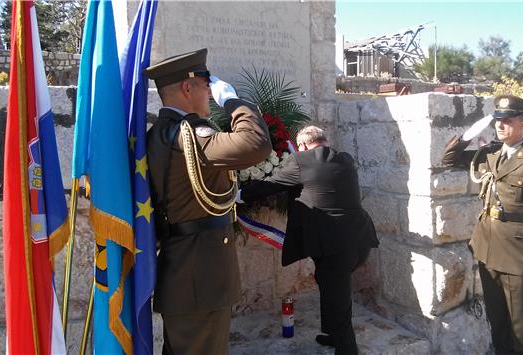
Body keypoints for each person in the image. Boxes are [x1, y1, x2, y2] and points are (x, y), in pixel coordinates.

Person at [143, 48, 271, 355]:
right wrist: (233, 101)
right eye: (206, 86)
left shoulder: (157, 133)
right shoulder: (192, 134)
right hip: (202, 278)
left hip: (180, 271)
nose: (210, 95)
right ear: (188, 88)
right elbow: (255, 143)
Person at [239, 125, 379, 355]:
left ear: (302, 145)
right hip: (360, 239)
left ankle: (347, 349)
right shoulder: (345, 159)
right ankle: (332, 334)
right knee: (327, 282)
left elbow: (272, 184)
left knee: (339, 301)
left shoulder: (301, 160)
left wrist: (240, 195)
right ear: (324, 140)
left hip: (335, 246)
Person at [442, 95, 523, 354]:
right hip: (487, 249)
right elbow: (449, 159)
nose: (500, 125)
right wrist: (469, 134)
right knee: (496, 321)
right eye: (497, 120)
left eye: (507, 120)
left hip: (519, 255)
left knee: (519, 328)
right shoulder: (490, 154)